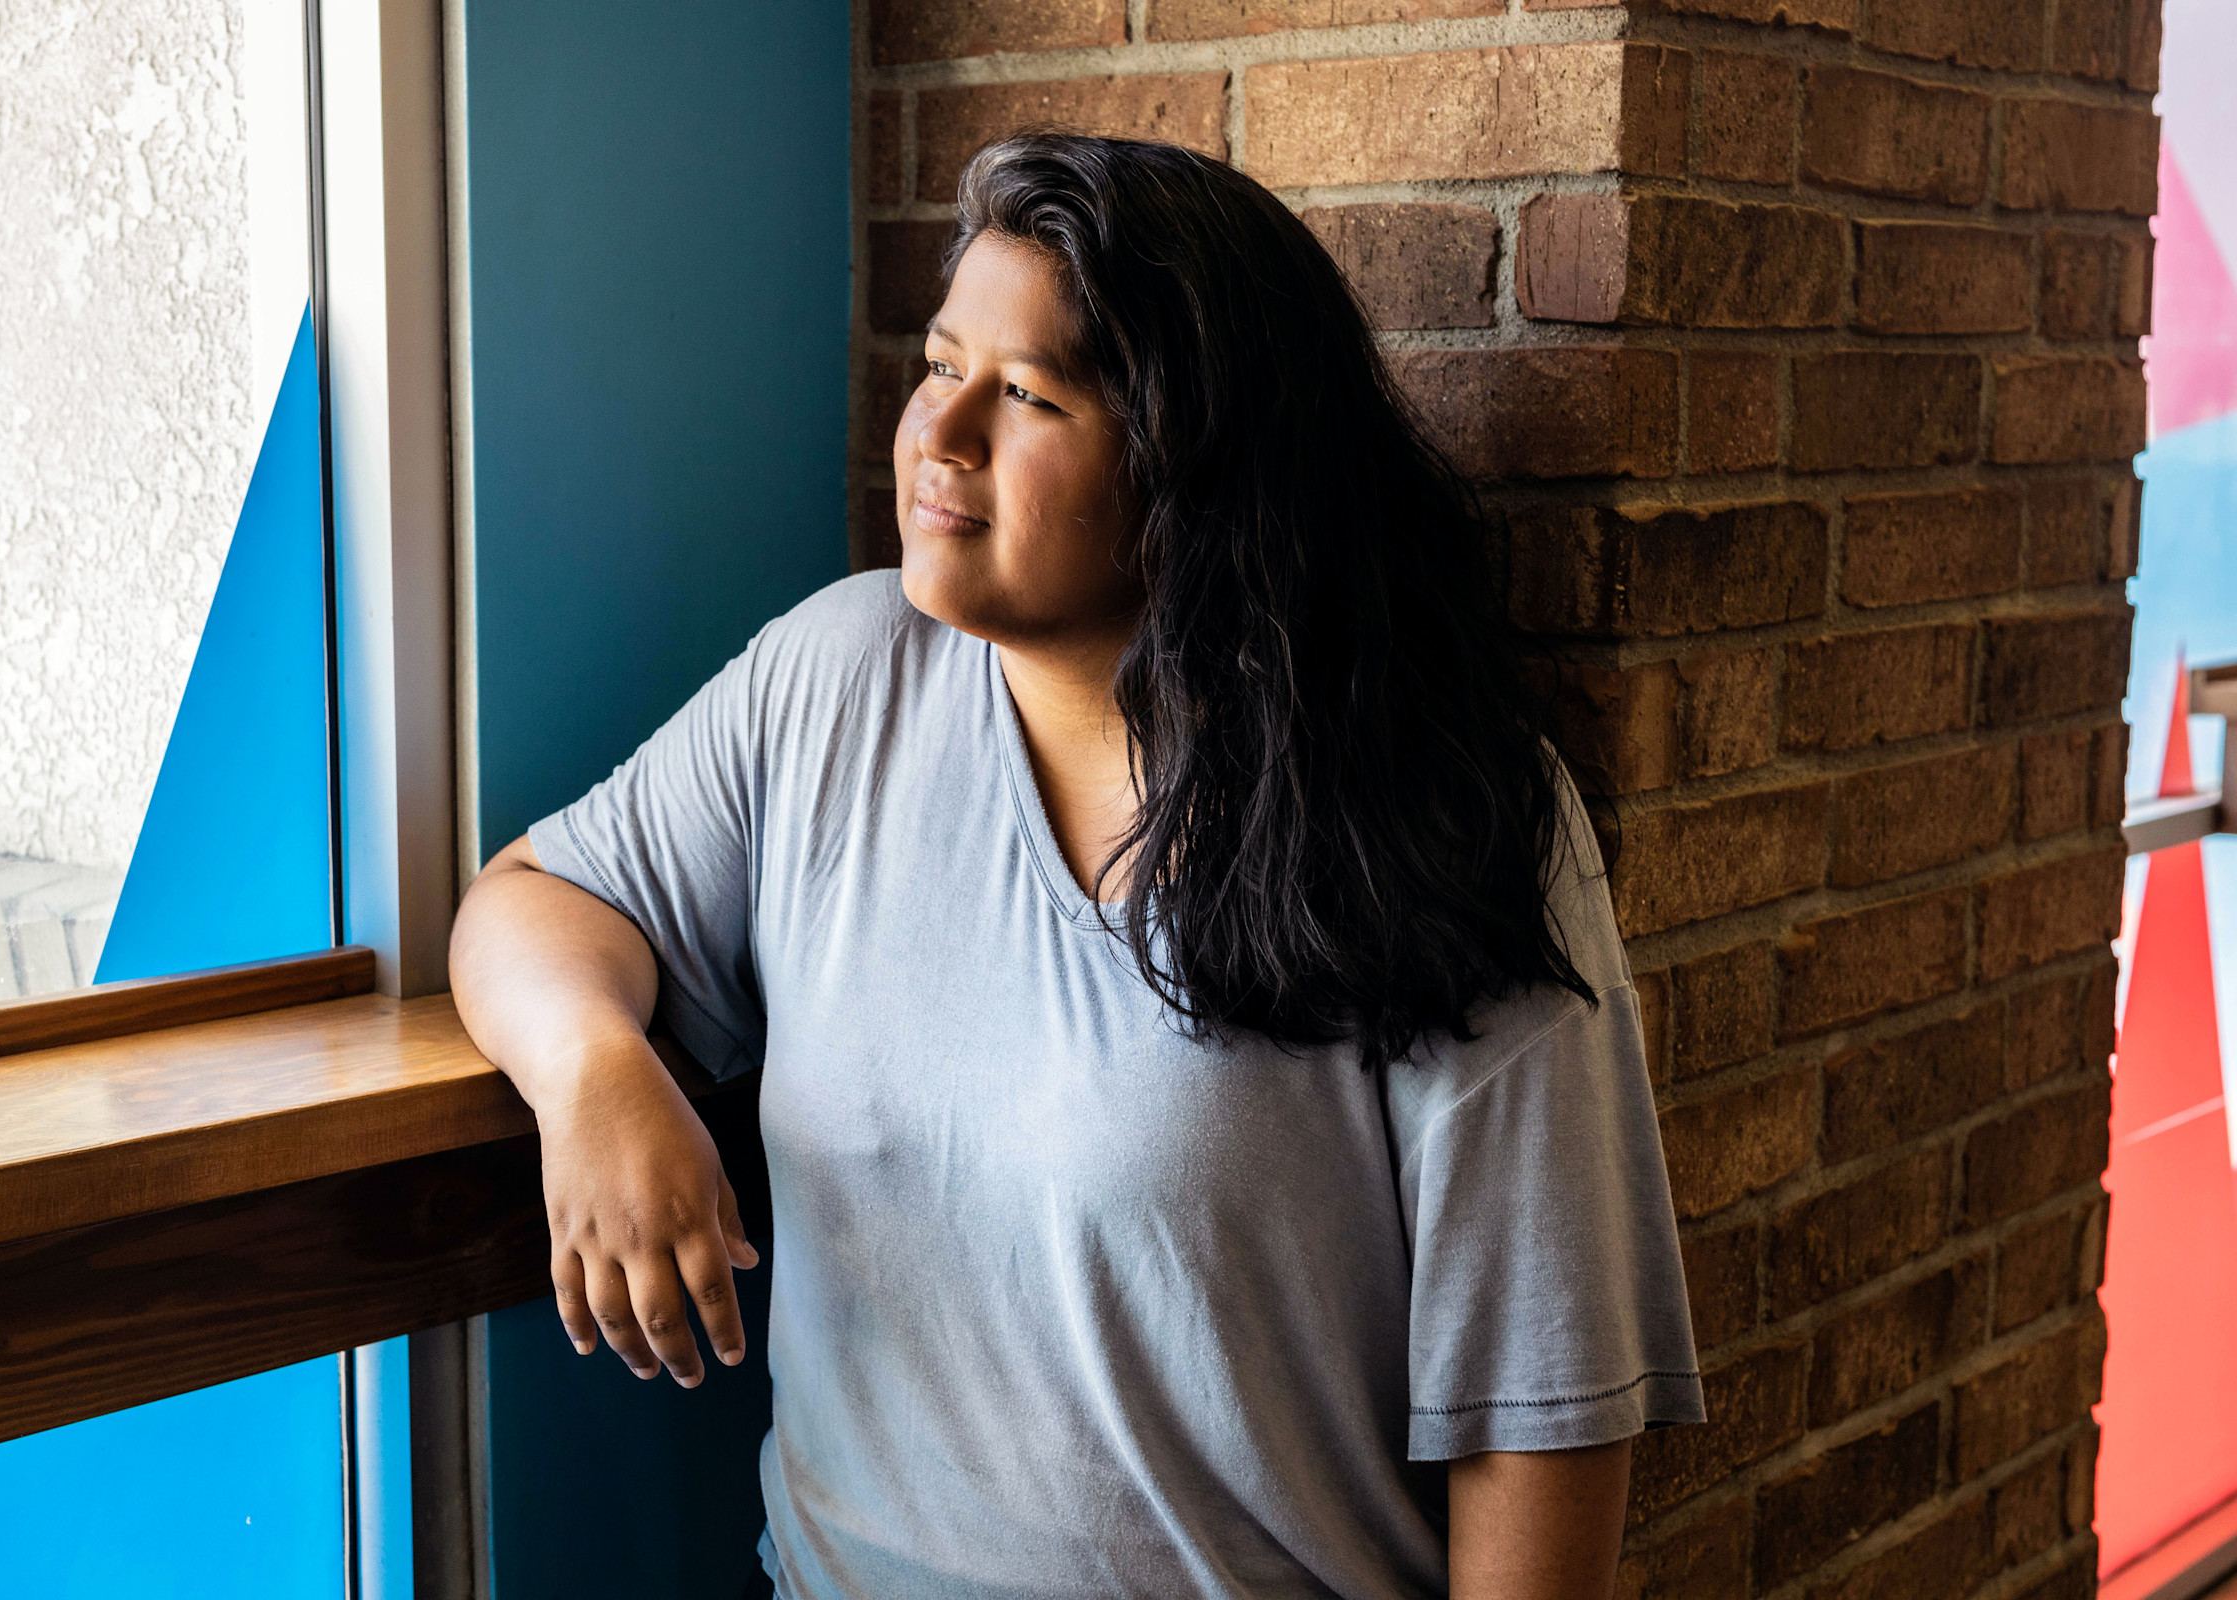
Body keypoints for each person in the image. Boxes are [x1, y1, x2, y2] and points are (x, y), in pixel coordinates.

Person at [449, 131, 1702, 1600]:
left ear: (1197, 465)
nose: (941, 431)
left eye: (1028, 394)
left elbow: (1540, 1410)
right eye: (940, 363)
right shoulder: (838, 680)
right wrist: (593, 1074)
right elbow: (529, 903)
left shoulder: (1440, 808)